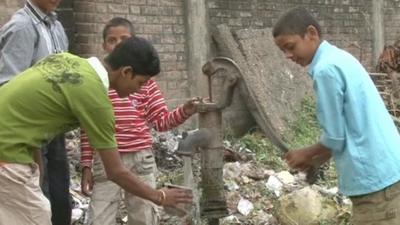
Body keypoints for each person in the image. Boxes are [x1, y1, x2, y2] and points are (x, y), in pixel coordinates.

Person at [0, 36, 192, 225]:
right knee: (37, 218)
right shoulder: (97, 100)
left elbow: (30, 115)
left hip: (12, 148)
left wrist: (36, 171)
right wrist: (160, 196)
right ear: (126, 72)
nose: (139, 90)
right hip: (7, 155)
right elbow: (115, 172)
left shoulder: (66, 60)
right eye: (140, 83)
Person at [273, 7, 400, 225]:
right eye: (283, 51)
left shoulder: (325, 71)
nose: (288, 55)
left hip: (376, 184)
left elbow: (335, 137)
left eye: (291, 47)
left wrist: (305, 153)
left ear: (311, 33)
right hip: (388, 170)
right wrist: (318, 159)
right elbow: (351, 126)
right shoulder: (340, 58)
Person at [80, 17, 198, 225]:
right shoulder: (96, 83)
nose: (118, 45)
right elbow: (87, 128)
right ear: (104, 45)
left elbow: (161, 122)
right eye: (112, 40)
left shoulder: (145, 83)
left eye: (124, 39)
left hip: (141, 161)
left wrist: (185, 111)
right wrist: (86, 165)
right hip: (107, 161)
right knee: (99, 217)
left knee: (144, 217)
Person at [0, 1, 71, 224]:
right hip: (29, 130)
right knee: (38, 198)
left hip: (53, 129)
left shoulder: (56, 27)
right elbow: (8, 85)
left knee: (60, 195)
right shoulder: (22, 27)